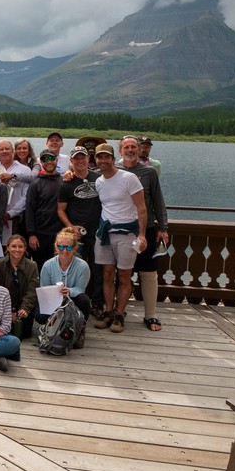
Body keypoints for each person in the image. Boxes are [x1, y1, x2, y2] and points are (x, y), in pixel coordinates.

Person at [92, 142, 147, 334]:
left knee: (124, 275)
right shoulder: (99, 182)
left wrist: (142, 234)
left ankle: (120, 313)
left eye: (107, 157)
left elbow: (141, 207)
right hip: (105, 233)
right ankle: (108, 311)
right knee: (107, 273)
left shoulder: (129, 178)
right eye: (100, 157)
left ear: (113, 159)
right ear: (96, 160)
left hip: (127, 233)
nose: (103, 160)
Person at [118, 135, 169, 333]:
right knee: (121, 274)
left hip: (145, 230)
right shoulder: (113, 170)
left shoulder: (149, 172)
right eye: (126, 147)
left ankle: (150, 314)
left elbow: (158, 201)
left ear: (139, 150)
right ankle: (118, 312)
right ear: (120, 151)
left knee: (148, 273)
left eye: (133, 147)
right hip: (121, 231)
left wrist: (163, 228)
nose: (130, 150)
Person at [57, 145, 103, 309]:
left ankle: (97, 304)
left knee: (98, 270)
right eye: (76, 158)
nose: (80, 161)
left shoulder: (99, 179)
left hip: (98, 233)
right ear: (71, 161)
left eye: (82, 157)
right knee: (74, 270)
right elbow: (60, 210)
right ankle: (74, 303)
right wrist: (71, 227)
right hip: (77, 236)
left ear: (88, 159)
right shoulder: (66, 184)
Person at [39, 227, 92, 320]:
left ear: (75, 248)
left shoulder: (83, 266)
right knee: (39, 316)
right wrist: (55, 292)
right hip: (53, 298)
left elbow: (80, 289)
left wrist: (69, 291)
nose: (64, 250)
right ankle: (51, 323)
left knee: (84, 300)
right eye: (61, 246)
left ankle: (81, 324)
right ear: (56, 247)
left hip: (73, 298)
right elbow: (44, 288)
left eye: (69, 247)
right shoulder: (48, 265)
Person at [25, 148, 64, 268]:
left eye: (51, 158)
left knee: (59, 266)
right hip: (40, 234)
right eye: (45, 159)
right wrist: (31, 234)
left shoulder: (64, 182)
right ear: (41, 162)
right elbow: (29, 210)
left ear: (56, 160)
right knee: (41, 267)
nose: (48, 162)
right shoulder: (35, 184)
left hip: (60, 233)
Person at [0, 234, 38, 339]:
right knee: (4, 332)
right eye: (13, 246)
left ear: (25, 248)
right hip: (4, 307)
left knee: (24, 333)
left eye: (20, 247)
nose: (17, 250)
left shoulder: (32, 266)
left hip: (22, 306)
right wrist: (8, 312)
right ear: (8, 248)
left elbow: (32, 291)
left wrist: (24, 309)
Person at [0, 139, 33, 243]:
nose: (4, 151)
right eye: (1, 149)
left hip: (15, 218)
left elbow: (26, 196)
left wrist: (10, 213)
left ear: (13, 151)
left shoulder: (24, 170)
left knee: (12, 247)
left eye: (7, 149)